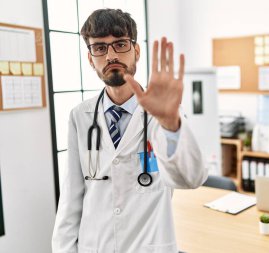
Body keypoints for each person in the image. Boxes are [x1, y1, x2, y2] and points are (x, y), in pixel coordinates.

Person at [52, 8, 207, 253]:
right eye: (100, 48)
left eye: (120, 44)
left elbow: (190, 179)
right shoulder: (79, 117)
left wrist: (170, 123)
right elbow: (71, 200)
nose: (111, 54)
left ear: (136, 50)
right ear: (91, 58)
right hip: (95, 246)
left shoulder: (164, 113)